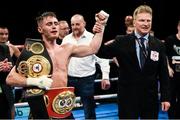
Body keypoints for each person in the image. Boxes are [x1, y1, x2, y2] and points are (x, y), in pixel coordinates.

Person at [6, 11, 108, 119]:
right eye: (49, 24)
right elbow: (10, 78)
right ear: (40, 29)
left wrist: (101, 25)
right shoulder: (33, 52)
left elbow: (93, 48)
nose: (54, 26)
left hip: (63, 106)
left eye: (56, 23)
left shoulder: (67, 48)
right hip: (41, 106)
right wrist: (34, 81)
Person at [95, 5, 170, 119]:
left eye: (148, 20)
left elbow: (164, 74)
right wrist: (99, 30)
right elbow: (100, 52)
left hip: (150, 99)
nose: (145, 23)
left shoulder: (158, 45)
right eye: (142, 20)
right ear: (134, 22)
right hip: (127, 98)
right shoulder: (121, 41)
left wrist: (165, 98)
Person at [62, 14, 110, 119]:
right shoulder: (66, 39)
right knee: (64, 108)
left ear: (84, 24)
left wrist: (105, 76)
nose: (75, 27)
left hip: (87, 79)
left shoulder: (92, 38)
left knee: (89, 109)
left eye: (77, 24)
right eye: (73, 24)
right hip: (68, 79)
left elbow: (102, 59)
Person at [0, 26, 21, 119]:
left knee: (10, 107)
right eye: (1, 34)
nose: (4, 36)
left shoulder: (12, 48)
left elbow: (24, 64)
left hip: (7, 84)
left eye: (6, 34)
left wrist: (13, 69)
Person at [164, 19, 180, 119]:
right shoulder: (170, 39)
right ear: (178, 27)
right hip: (173, 75)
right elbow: (164, 55)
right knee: (171, 98)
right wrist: (168, 67)